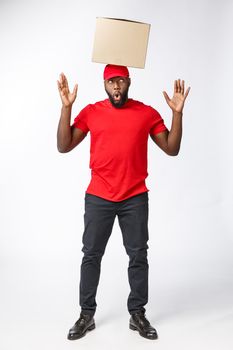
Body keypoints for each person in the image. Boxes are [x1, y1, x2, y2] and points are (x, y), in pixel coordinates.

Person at [57, 64, 190, 340]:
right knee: (91, 255)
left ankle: (137, 313)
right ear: (104, 85)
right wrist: (66, 108)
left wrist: (177, 114)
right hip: (99, 196)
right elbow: (64, 145)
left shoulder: (146, 113)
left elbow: (172, 148)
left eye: (120, 81)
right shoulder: (92, 112)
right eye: (110, 82)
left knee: (138, 255)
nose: (115, 86)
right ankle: (86, 315)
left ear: (128, 82)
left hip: (134, 197)